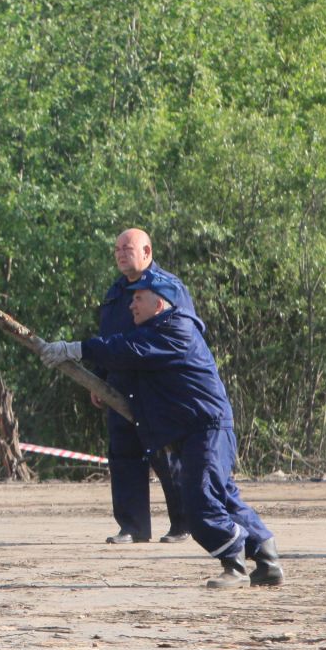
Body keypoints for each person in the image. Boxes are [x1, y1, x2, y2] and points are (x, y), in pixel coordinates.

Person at [43, 272, 282, 588]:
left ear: (160, 303)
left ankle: (234, 565)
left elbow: (126, 350)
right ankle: (267, 560)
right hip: (195, 429)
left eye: (138, 298)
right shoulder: (155, 331)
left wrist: (75, 349)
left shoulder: (173, 329)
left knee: (200, 500)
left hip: (205, 427)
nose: (131, 305)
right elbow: (131, 359)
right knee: (223, 496)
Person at [95, 229, 192, 545]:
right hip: (120, 387)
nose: (121, 253)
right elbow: (106, 338)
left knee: (166, 457)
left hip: (156, 388)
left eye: (128, 247)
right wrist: (98, 379)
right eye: (117, 248)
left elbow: (182, 338)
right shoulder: (115, 291)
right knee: (123, 455)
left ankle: (183, 525)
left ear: (147, 251)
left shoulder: (166, 287)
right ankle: (132, 527)